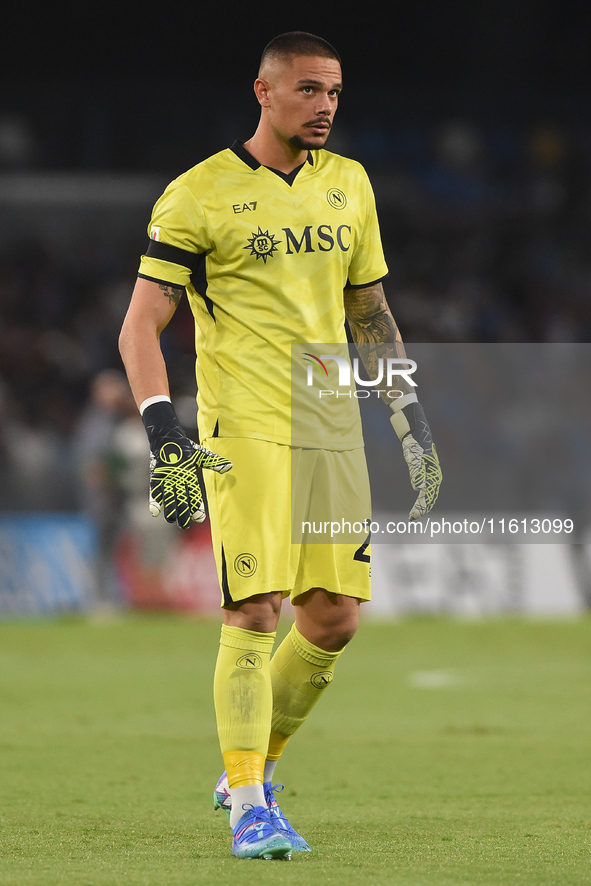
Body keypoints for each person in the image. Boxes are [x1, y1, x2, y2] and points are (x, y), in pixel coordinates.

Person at [119, 31, 442, 861]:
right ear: (262, 93)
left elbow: (369, 309)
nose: (325, 104)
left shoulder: (350, 186)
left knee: (332, 620)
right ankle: (250, 809)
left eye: (333, 90)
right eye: (307, 89)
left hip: (330, 425)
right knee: (253, 610)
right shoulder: (199, 194)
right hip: (245, 425)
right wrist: (164, 429)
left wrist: (407, 415)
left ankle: (250, 770)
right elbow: (142, 325)